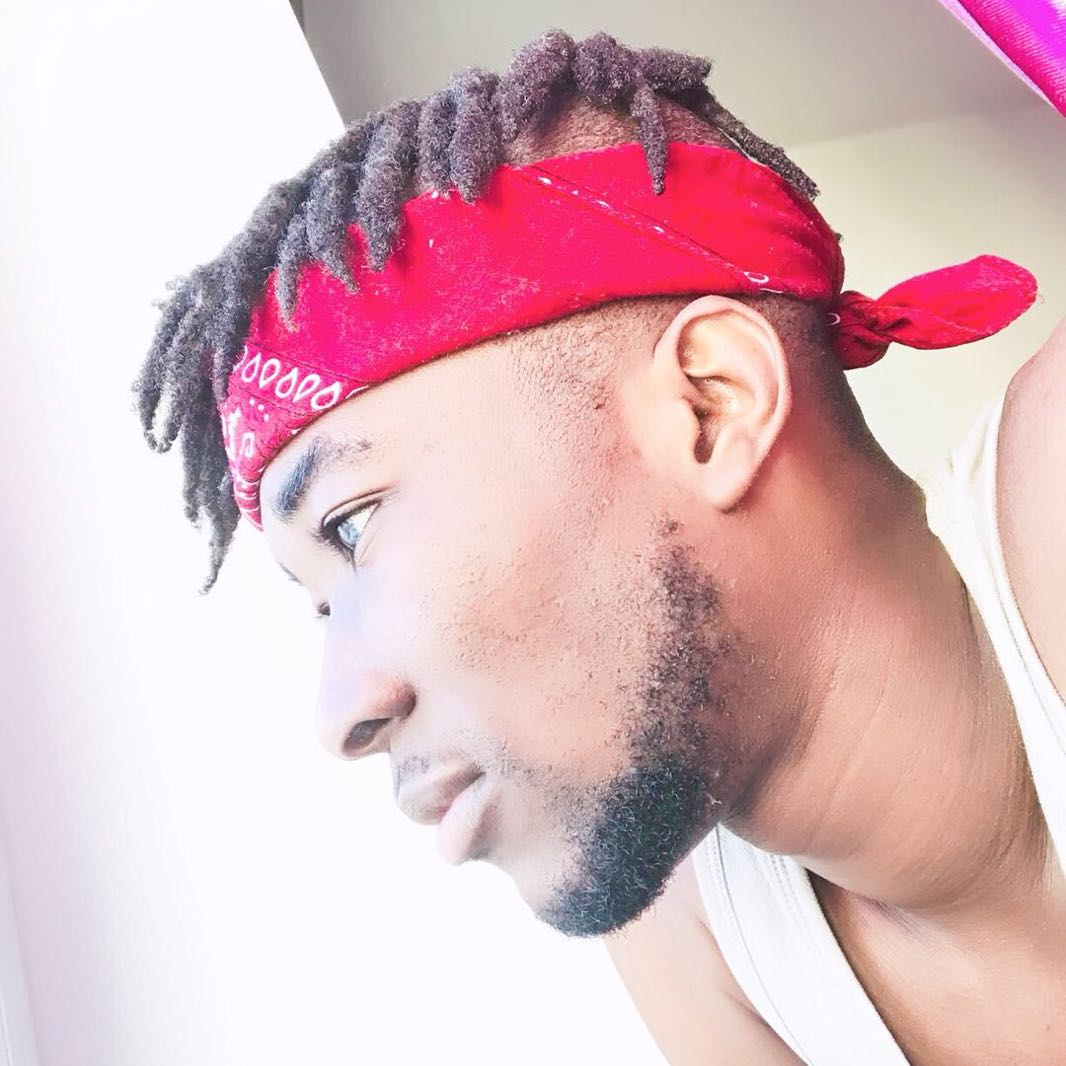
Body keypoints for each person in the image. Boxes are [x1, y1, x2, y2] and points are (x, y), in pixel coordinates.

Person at [134, 29, 1066, 1065]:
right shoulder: (699, 939)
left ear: (710, 404)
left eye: (353, 527)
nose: (340, 715)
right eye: (319, 606)